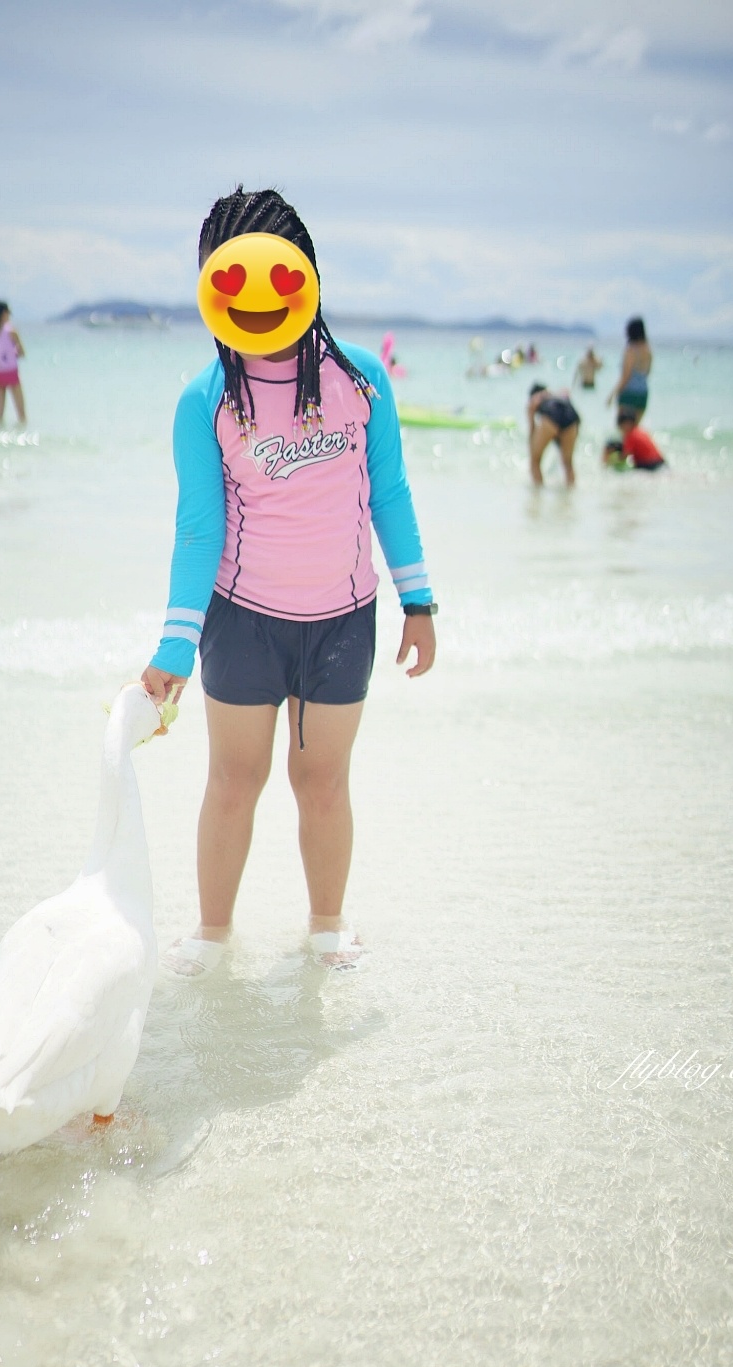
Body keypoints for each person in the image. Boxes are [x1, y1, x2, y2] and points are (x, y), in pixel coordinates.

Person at [141, 186, 436, 975]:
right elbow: (199, 530)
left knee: (323, 780)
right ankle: (211, 933)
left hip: (343, 619)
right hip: (242, 621)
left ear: (306, 277)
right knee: (235, 780)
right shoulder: (205, 401)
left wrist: (419, 600)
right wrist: (176, 643)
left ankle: (328, 926)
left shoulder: (362, 378)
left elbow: (390, 492)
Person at [526, 381, 580, 486]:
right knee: (568, 463)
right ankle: (570, 494)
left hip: (551, 416)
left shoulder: (535, 398)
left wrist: (532, 445)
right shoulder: (559, 393)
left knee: (535, 461)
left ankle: (537, 493)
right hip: (572, 419)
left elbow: (532, 428)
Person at [0, 301, 26, 426]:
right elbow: (22, 352)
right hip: (11, 372)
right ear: (4, 313)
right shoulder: (11, 331)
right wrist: (13, 353)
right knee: (21, 414)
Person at [607, 316, 651, 420]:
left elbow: (626, 376)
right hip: (643, 393)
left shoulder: (631, 350)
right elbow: (648, 373)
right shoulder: (648, 350)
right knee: (634, 429)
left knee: (624, 429)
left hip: (629, 393)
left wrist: (612, 394)